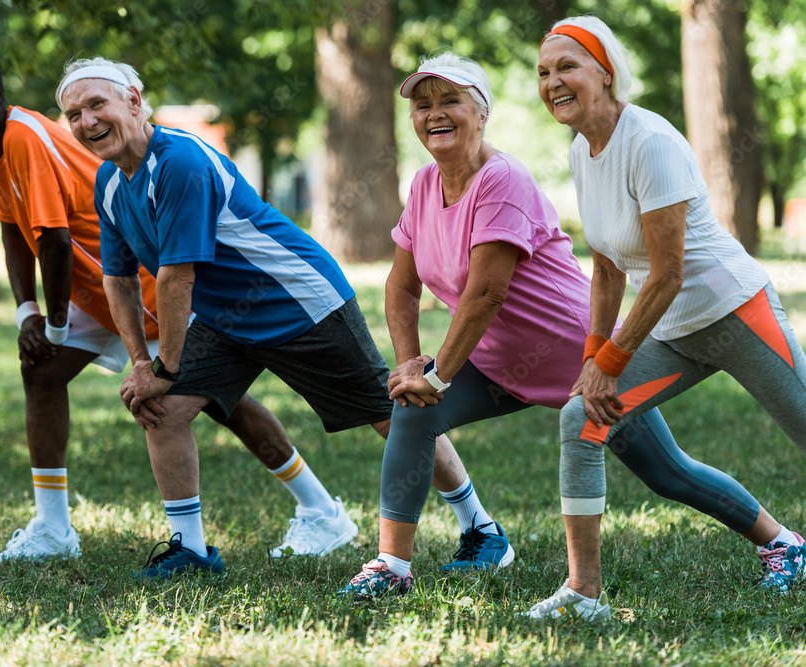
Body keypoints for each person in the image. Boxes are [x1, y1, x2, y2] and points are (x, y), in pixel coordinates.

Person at [333, 53, 787, 605]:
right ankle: (392, 564)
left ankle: (782, 542)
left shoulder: (501, 179)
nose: (435, 115)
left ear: (481, 114)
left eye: (450, 101)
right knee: (412, 409)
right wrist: (410, 364)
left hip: (577, 360)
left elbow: (485, 294)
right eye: (423, 106)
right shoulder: (425, 185)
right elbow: (401, 287)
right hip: (496, 360)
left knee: (667, 472)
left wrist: (440, 374)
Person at [56, 56, 476, 579]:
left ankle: (479, 528)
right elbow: (117, 279)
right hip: (224, 319)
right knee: (162, 408)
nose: (87, 121)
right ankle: (190, 550)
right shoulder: (111, 183)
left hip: (297, 301)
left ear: (134, 102)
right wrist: (142, 365)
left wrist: (162, 365)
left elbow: (176, 277)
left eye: (97, 104)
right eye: (73, 114)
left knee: (392, 414)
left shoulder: (180, 161)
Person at [0, 55, 363, 565]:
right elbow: (12, 227)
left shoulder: (27, 137)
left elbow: (53, 240)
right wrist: (26, 310)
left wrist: (51, 323)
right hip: (95, 292)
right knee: (43, 372)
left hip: (144, 294)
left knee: (219, 404)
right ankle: (53, 527)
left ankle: (320, 510)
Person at [525, 15, 806, 619]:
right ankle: (583, 594)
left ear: (605, 72)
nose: (553, 82)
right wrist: (591, 361)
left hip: (734, 313)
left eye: (567, 67)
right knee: (582, 420)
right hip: (674, 330)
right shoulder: (582, 149)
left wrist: (613, 359)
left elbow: (667, 272)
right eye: (544, 72)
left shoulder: (649, 142)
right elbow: (605, 267)